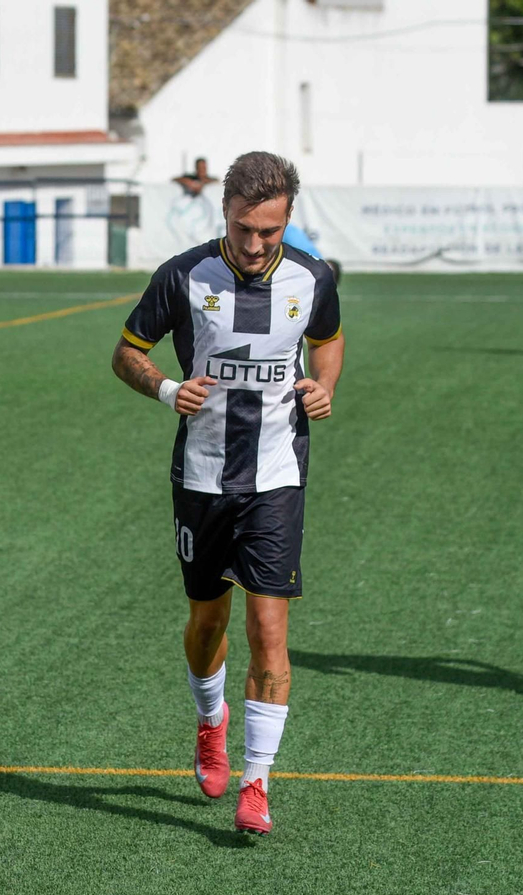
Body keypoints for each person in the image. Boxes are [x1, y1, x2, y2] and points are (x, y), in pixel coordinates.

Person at [109, 151, 345, 837]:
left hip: (276, 476)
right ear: (226, 214)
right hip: (203, 478)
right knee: (207, 622)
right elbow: (126, 350)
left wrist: (324, 385)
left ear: (287, 221)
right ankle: (210, 723)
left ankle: (257, 780)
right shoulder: (184, 275)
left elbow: (327, 340)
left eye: (268, 232)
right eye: (243, 229)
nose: (253, 244)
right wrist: (162, 387)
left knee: (269, 628)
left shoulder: (312, 278)